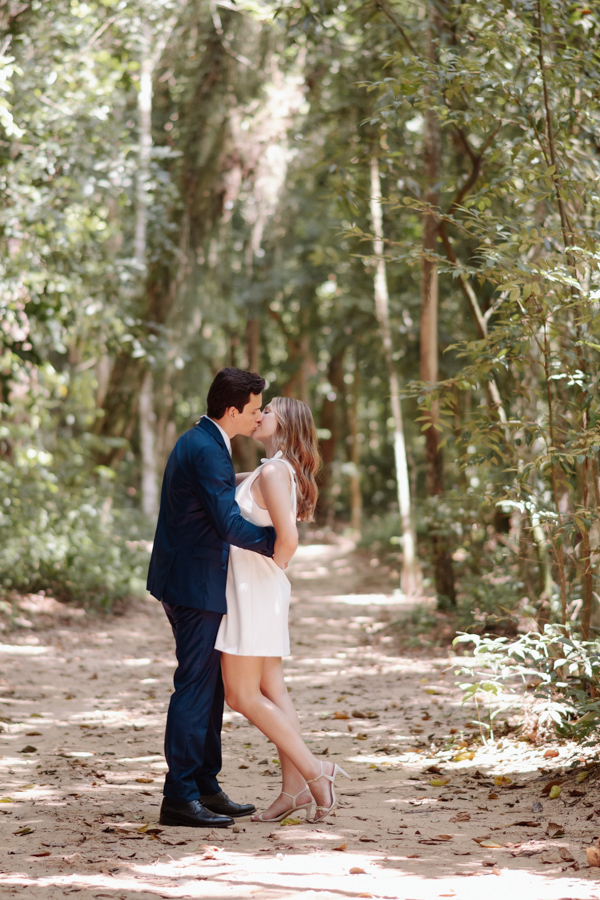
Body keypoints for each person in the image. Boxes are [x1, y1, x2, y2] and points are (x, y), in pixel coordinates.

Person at [147, 368, 277, 829]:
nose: (259, 415)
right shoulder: (206, 449)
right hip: (194, 584)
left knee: (212, 686)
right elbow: (227, 524)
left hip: (189, 579)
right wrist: (276, 543)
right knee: (196, 686)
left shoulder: (205, 442)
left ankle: (205, 785)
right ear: (232, 410)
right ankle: (179, 796)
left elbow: (217, 494)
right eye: (255, 408)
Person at [215, 397, 350, 823]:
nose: (259, 415)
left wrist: (271, 567)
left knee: (240, 695)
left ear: (285, 423)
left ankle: (316, 771)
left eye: (267, 410)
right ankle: (293, 791)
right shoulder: (270, 468)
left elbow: (287, 539)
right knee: (273, 690)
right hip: (257, 587)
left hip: (254, 587)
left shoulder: (274, 471)